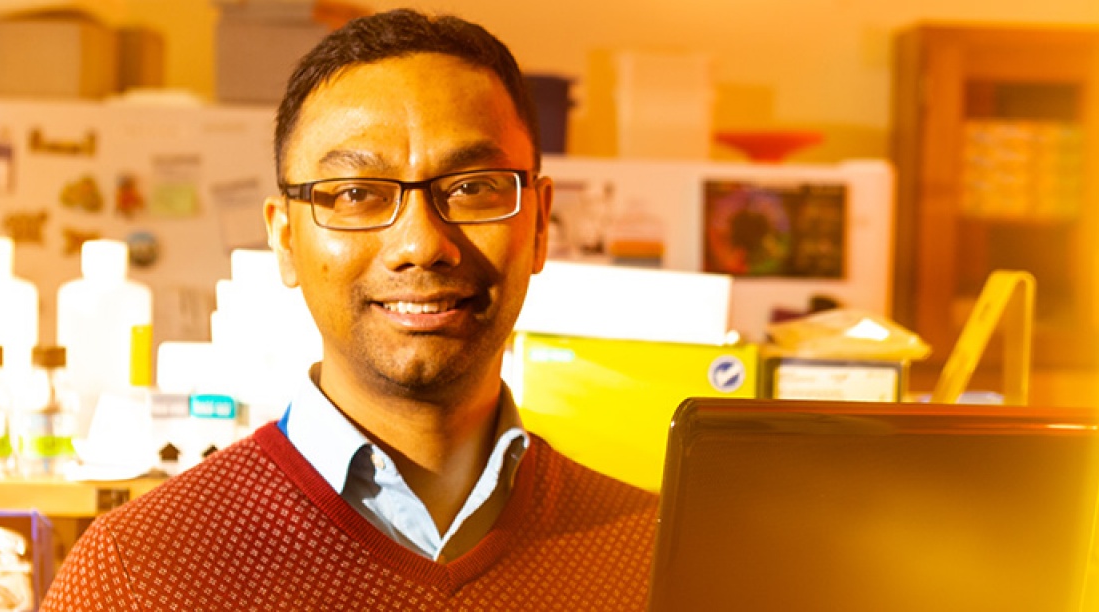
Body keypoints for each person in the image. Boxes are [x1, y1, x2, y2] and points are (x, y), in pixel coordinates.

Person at [42, 10, 658, 611]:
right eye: (357, 194)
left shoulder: (655, 557)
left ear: (541, 223)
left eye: (472, 188)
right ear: (285, 240)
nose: (421, 244)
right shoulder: (137, 576)